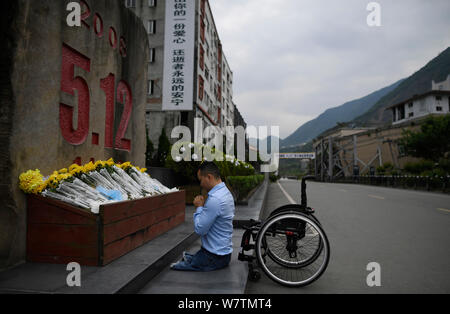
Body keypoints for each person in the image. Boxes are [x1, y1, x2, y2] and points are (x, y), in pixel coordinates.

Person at [170, 161, 235, 272]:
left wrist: (199, 207)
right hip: (224, 254)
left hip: (214, 256)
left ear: (209, 177)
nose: (200, 184)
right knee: (190, 258)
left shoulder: (215, 199)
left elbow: (200, 229)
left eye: (201, 180)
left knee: (177, 266)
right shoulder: (225, 192)